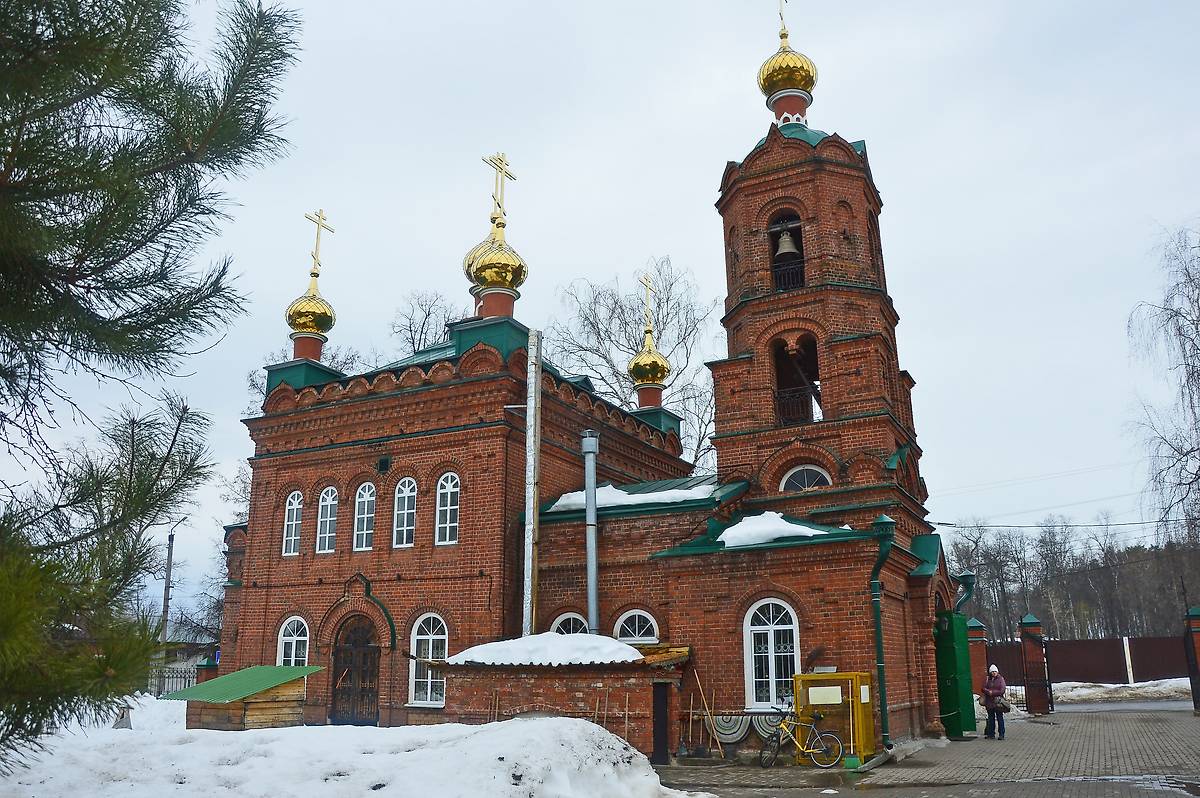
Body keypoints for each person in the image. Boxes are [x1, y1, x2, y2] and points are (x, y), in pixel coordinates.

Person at [982, 664, 1007, 740]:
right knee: (991, 718)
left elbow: (1002, 690)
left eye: (995, 671)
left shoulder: (1001, 679)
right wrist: (987, 691)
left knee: (1000, 718)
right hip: (989, 702)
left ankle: (1001, 734)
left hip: (998, 702)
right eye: (992, 671)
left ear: (997, 672)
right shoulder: (987, 680)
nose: (994, 673)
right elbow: (983, 688)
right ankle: (991, 734)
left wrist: (992, 693)